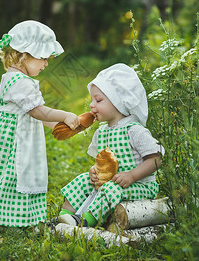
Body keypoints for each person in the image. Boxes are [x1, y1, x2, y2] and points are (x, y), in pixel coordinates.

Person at [0, 20, 80, 227]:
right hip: (15, 141)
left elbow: (31, 112)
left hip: (19, 134)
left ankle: (14, 216)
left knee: (13, 175)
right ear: (24, 56)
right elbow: (37, 111)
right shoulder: (19, 81)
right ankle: (1, 216)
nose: (46, 64)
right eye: (43, 58)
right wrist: (62, 115)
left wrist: (57, 126)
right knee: (12, 175)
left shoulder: (17, 78)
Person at [51, 63, 164, 227]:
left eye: (98, 100)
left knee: (110, 189)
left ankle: (85, 221)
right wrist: (93, 171)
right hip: (111, 183)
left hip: (139, 185)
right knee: (82, 180)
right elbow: (101, 162)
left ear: (119, 102)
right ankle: (64, 217)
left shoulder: (134, 131)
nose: (91, 105)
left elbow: (156, 159)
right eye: (91, 100)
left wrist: (132, 175)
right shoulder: (101, 132)